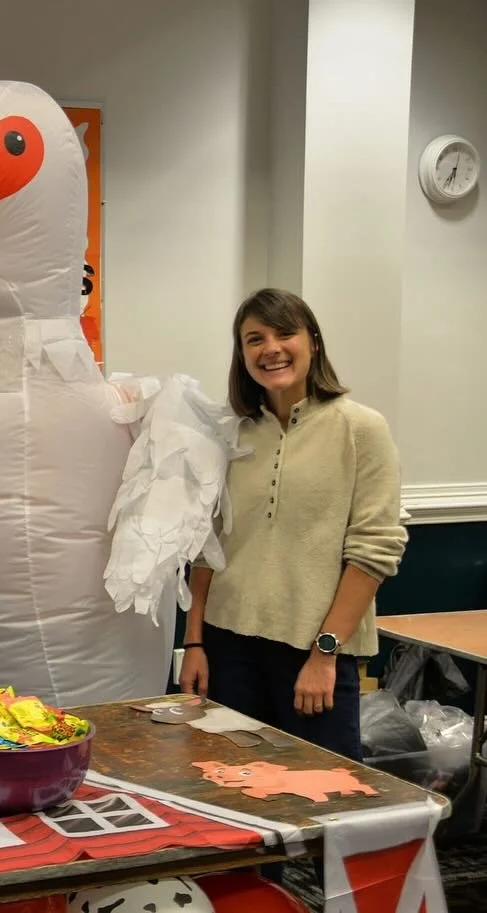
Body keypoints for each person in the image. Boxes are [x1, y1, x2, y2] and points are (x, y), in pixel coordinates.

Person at [179, 288, 408, 761]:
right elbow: (208, 546)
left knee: (322, 798)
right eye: (254, 339)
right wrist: (195, 641)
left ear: (314, 343)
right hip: (227, 648)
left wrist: (324, 654)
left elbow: (374, 550)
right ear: (242, 355)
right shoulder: (232, 435)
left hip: (312, 651)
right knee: (229, 791)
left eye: (285, 333)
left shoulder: (361, 428)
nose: (271, 349)